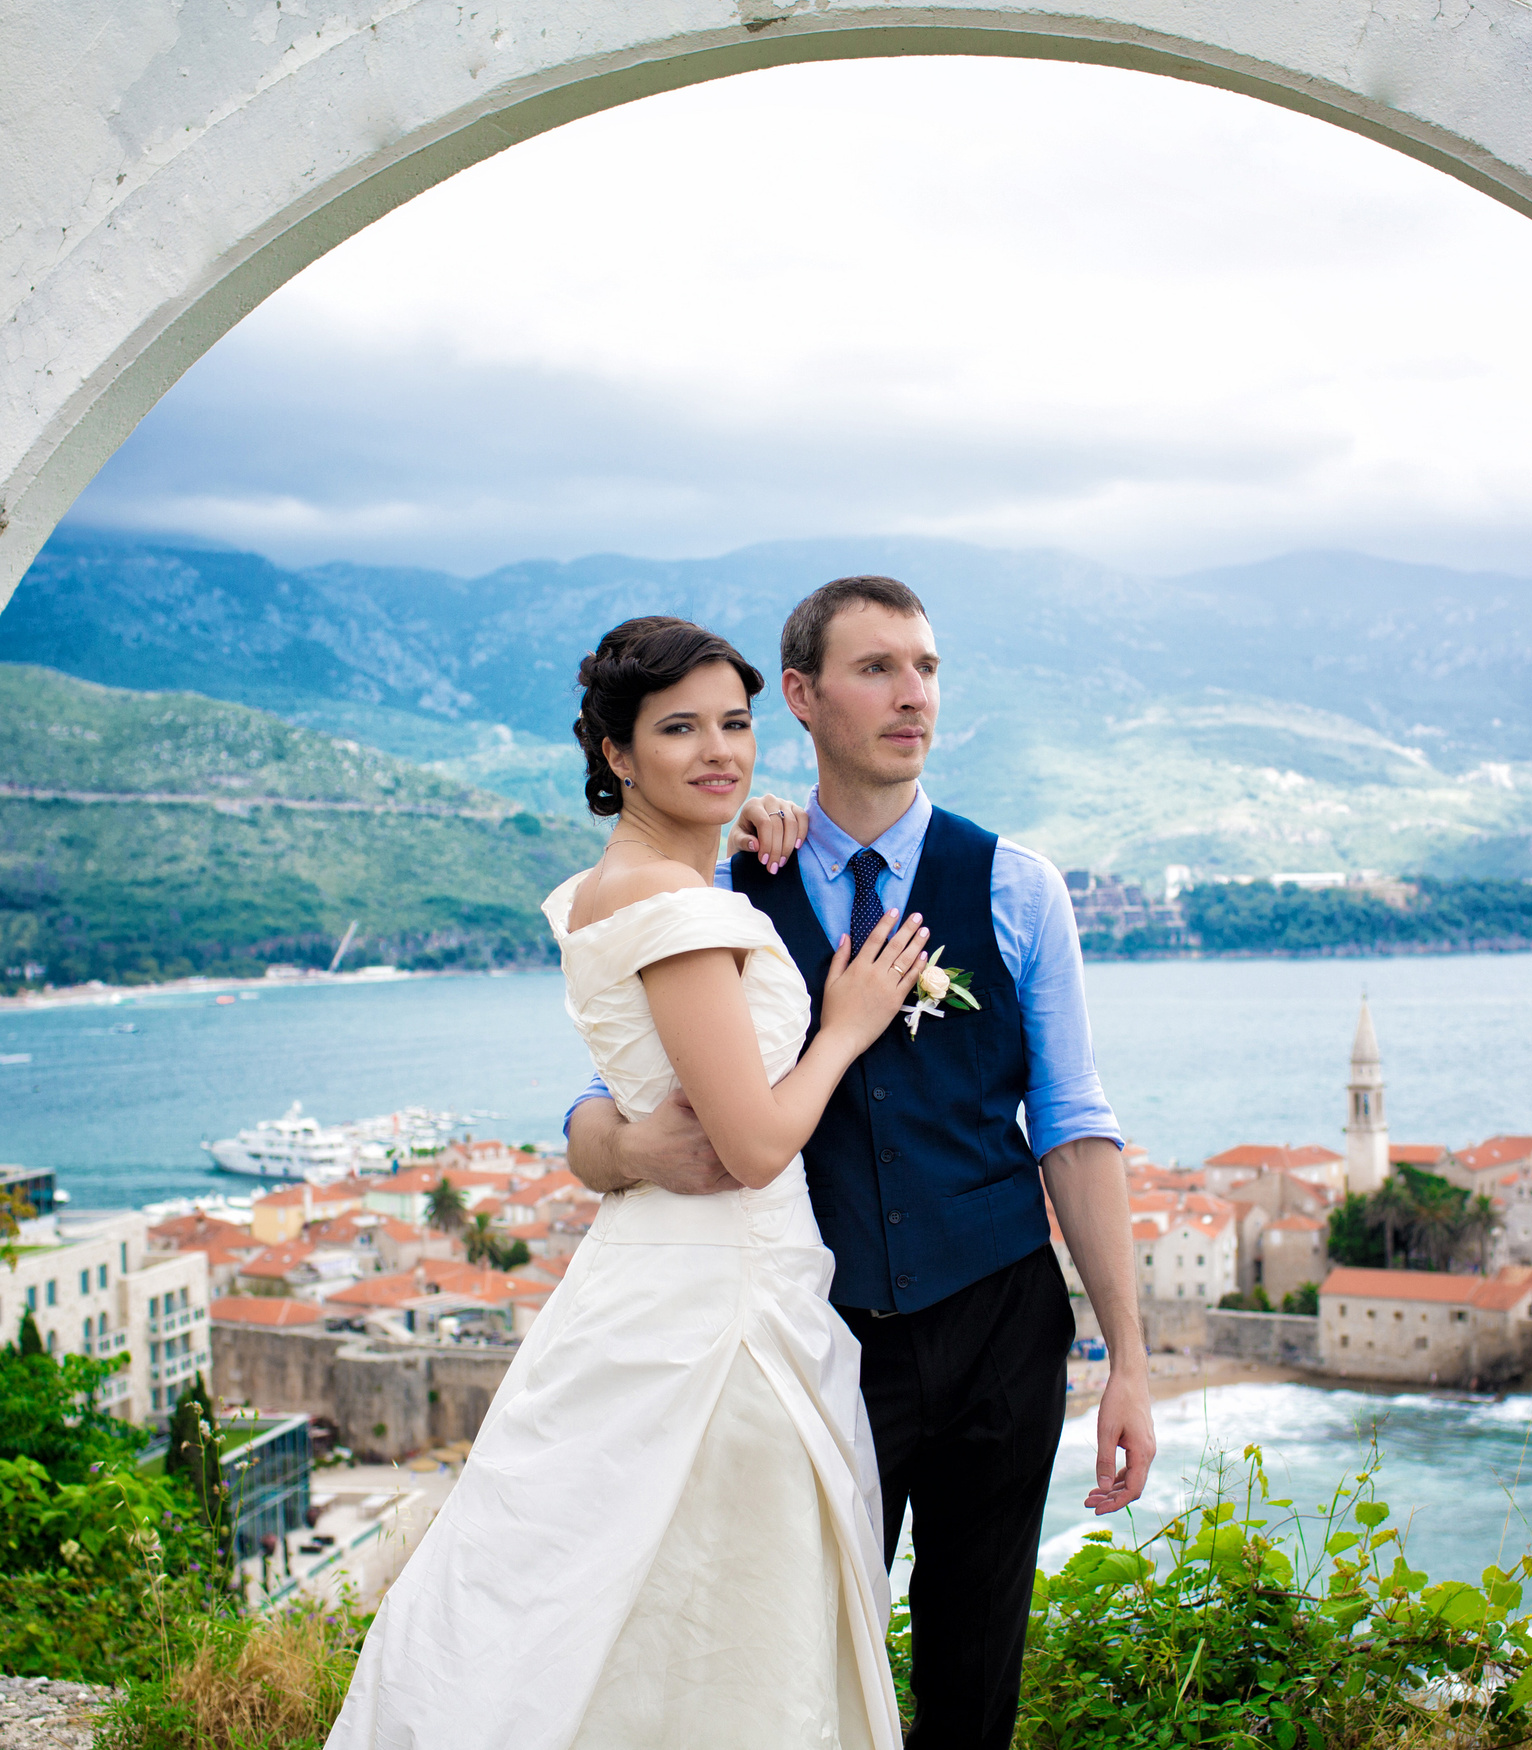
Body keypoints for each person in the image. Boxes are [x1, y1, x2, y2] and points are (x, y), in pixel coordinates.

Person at [569, 575, 1155, 1750]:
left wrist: (1128, 1360)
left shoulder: (1017, 885)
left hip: (999, 1319)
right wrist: (629, 1147)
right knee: (794, 1658)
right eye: (878, 668)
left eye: (926, 668)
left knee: (976, 1660)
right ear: (800, 694)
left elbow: (1074, 1123)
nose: (912, 696)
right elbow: (605, 1100)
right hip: (818, 1335)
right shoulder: (728, 885)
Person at [329, 617, 932, 1750]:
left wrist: (736, 836)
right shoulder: (673, 907)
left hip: (667, 1277)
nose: (720, 750)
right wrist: (846, 1029)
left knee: (600, 1592)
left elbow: (650, 1090)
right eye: (679, 729)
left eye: (737, 724)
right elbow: (752, 1146)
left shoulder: (634, 881)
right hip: (719, 1306)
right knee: (721, 1612)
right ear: (616, 753)